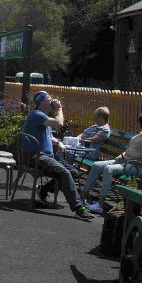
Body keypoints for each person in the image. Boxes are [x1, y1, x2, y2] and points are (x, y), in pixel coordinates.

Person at [21, 91, 93, 221]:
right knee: (64, 173)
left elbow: (49, 136)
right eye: (49, 99)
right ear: (42, 102)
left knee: (73, 172)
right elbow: (59, 124)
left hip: (47, 156)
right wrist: (59, 109)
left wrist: (58, 142)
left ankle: (43, 190)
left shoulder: (43, 117)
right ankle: (78, 208)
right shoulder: (37, 114)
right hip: (37, 157)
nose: (53, 100)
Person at [82, 112, 142, 214]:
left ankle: (100, 204)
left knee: (109, 169)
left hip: (139, 166)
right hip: (126, 162)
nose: (139, 124)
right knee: (97, 165)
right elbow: (130, 149)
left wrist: (126, 158)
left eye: (141, 122)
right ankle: (83, 197)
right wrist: (121, 156)